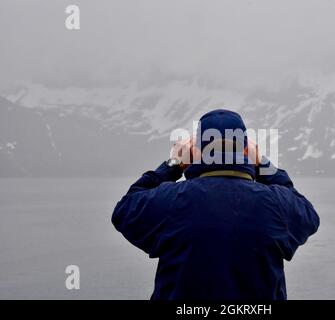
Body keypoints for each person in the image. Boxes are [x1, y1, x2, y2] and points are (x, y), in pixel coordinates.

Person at [111, 109, 319, 300]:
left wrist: (172, 165)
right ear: (245, 150)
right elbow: (308, 215)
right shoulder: (276, 204)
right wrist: (263, 164)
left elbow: (124, 211)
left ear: (198, 150)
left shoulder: (171, 200)